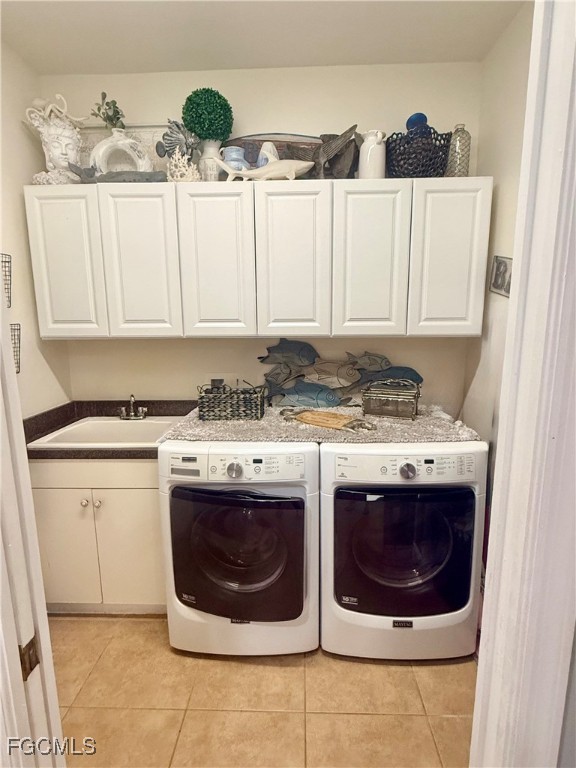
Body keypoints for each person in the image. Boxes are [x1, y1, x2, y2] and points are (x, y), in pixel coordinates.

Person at [26, 95, 85, 184]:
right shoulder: (47, 179)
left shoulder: (78, 180)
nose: (64, 152)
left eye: (70, 147)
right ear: (47, 150)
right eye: (56, 146)